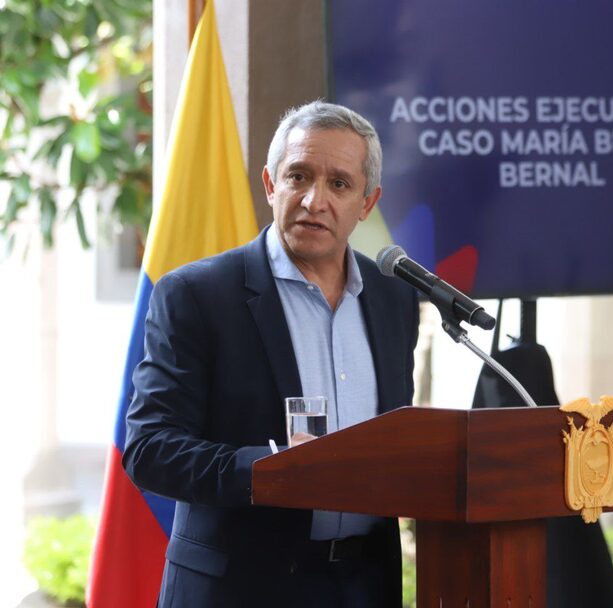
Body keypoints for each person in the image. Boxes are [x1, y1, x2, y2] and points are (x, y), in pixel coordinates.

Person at [123, 101, 419, 607]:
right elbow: (149, 448)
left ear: (367, 203)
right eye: (298, 177)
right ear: (270, 184)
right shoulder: (198, 295)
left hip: (366, 584)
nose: (313, 200)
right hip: (241, 586)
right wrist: (270, 469)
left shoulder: (394, 298)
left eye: (339, 184)